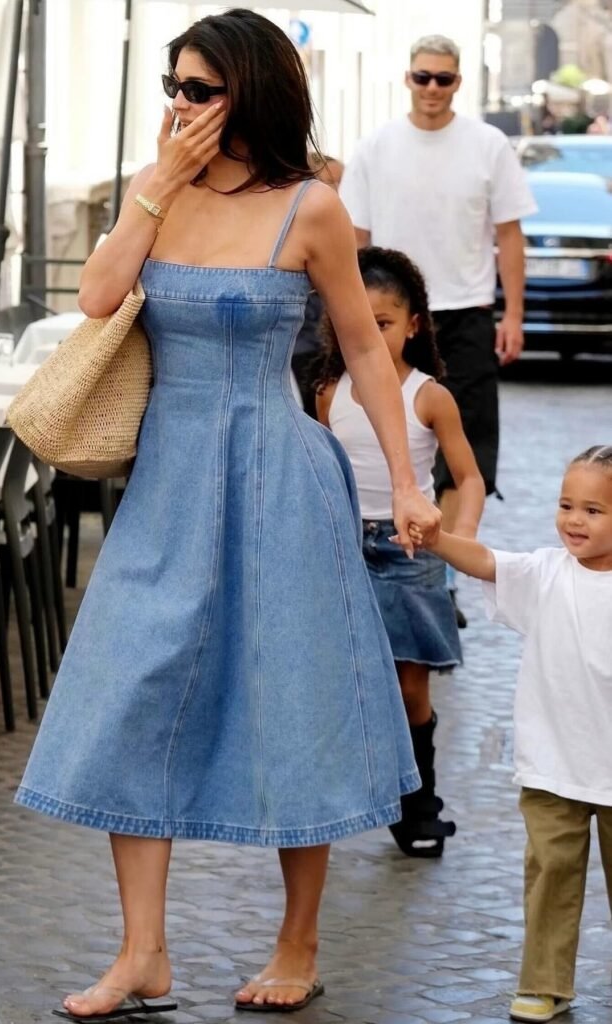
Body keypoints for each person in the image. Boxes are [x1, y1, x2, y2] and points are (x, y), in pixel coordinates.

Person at [14, 10, 441, 1021]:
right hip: (167, 477)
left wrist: (407, 478)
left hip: (279, 470)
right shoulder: (155, 190)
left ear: (250, 92)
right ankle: (142, 954)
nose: (181, 104)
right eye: (173, 85)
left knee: (293, 695)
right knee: (134, 690)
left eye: (200, 89)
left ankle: (297, 938)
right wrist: (153, 188)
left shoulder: (313, 207)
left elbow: (365, 349)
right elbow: (101, 296)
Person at [404, 445, 612, 1023]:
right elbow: (486, 561)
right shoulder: (545, 572)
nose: (575, 519)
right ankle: (545, 982)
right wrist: (436, 538)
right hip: (553, 766)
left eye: (595, 510)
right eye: (567, 504)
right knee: (550, 875)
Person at [339, 33, 536, 626]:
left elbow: (508, 235)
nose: (432, 89)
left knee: (464, 453)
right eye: (422, 77)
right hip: (389, 321)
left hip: (467, 311)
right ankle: (391, 558)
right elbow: (355, 241)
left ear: (457, 83)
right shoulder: (376, 147)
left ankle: (441, 571)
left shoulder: (488, 145)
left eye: (443, 79)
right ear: (407, 79)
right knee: (387, 441)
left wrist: (515, 314)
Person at [314, 247, 484, 858]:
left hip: (412, 553)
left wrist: (457, 541)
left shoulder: (428, 396)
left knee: (411, 687)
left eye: (382, 321)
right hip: (343, 551)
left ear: (412, 325)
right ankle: (343, 797)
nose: (367, 330)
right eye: (352, 317)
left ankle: (419, 807)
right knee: (345, 681)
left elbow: (467, 478)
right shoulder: (328, 394)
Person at [291, 153, 345, 417]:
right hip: (304, 350)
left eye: (340, 182)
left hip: (334, 349)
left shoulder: (346, 230)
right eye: (328, 182)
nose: (336, 190)